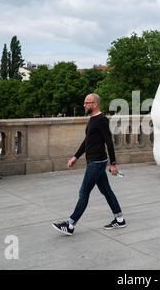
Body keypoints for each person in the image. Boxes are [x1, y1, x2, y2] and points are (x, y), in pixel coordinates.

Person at [52, 93, 125, 236]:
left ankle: (70, 224)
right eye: (84, 102)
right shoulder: (93, 119)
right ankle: (120, 218)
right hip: (95, 161)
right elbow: (87, 141)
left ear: (95, 104)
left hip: (97, 162)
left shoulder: (102, 120)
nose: (84, 105)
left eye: (87, 102)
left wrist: (113, 164)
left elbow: (109, 142)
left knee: (83, 193)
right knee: (106, 191)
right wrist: (75, 156)